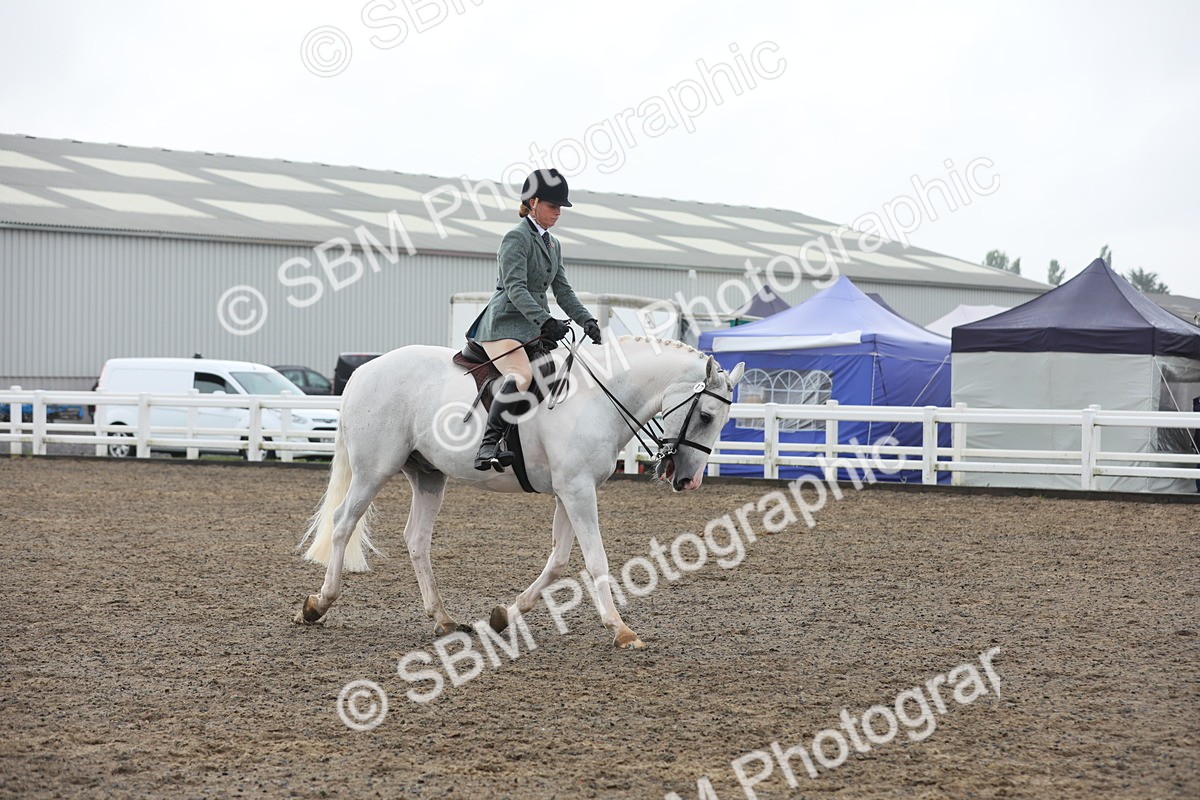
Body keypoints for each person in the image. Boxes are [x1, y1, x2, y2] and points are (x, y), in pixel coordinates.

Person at [469, 168, 602, 471]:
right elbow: (515, 288)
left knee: (562, 377)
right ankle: (488, 445)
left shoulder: (553, 244)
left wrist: (586, 320)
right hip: (503, 325)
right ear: (532, 202)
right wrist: (545, 320)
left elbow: (563, 291)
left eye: (560, 208)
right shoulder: (515, 238)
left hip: (532, 327)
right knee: (522, 377)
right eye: (553, 206)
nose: (558, 213)